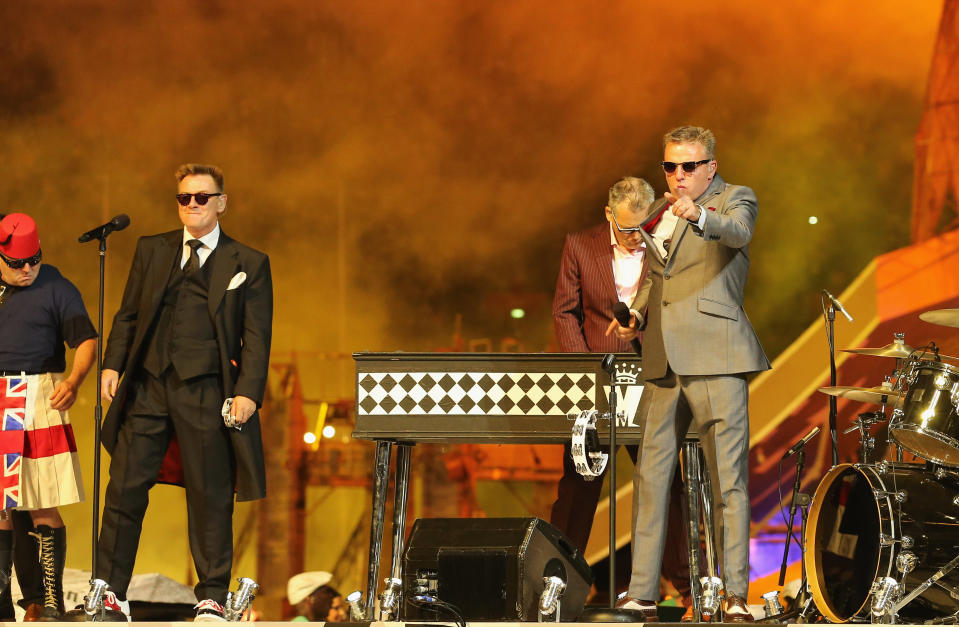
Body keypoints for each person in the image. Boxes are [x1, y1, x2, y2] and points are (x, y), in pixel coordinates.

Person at [91, 164, 273, 621]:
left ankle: (211, 594)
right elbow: (128, 313)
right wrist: (113, 363)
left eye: (202, 197)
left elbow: (257, 336)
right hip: (149, 385)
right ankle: (110, 592)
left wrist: (249, 392)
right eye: (184, 198)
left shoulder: (248, 262)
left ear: (221, 202)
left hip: (206, 391)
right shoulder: (153, 249)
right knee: (124, 488)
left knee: (210, 495)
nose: (192, 205)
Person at [608, 126, 770, 622]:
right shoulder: (660, 209)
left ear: (710, 168)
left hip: (717, 355)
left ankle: (736, 595)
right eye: (670, 166)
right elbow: (658, 277)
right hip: (663, 360)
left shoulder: (734, 198)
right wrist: (635, 314)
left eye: (688, 166)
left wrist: (700, 214)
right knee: (652, 480)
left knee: (729, 482)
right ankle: (641, 593)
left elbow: (738, 233)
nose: (678, 175)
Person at [550, 177, 690, 606]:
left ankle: (686, 587)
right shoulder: (579, 245)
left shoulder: (667, 241)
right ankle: (558, 586)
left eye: (643, 227)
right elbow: (564, 312)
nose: (635, 237)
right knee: (579, 485)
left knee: (665, 483)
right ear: (608, 214)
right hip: (597, 382)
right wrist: (584, 371)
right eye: (628, 228)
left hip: (653, 378)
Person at [0, 213, 97, 620]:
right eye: (19, 264)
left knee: (43, 502)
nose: (28, 270)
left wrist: (74, 381)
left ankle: (53, 601)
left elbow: (87, 338)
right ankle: (2, 600)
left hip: (40, 392)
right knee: (2, 505)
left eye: (34, 261)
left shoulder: (56, 284)